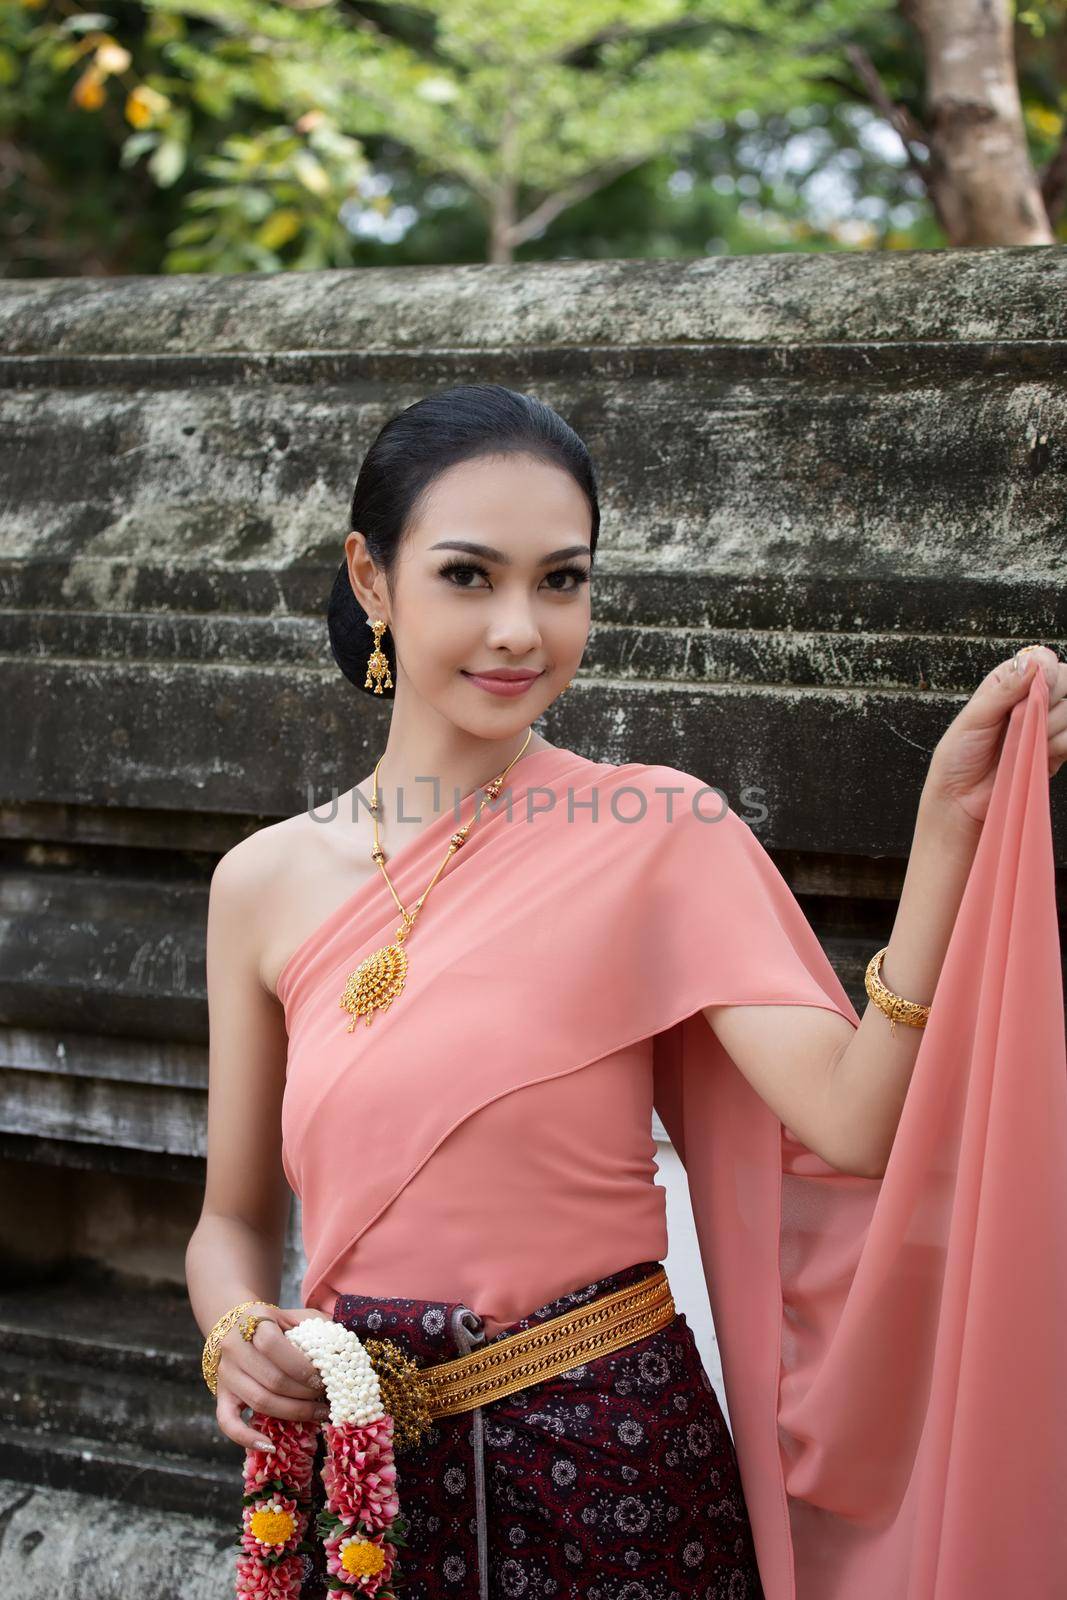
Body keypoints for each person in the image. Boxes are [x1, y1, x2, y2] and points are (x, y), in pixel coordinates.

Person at [187, 384, 1067, 1600]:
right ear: (372, 578)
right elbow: (230, 1220)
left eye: (560, 581)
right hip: (360, 1481)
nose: (518, 630)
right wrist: (236, 1331)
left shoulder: (656, 830)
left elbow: (852, 1119)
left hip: (614, 1475)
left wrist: (945, 831)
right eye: (467, 576)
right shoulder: (261, 884)